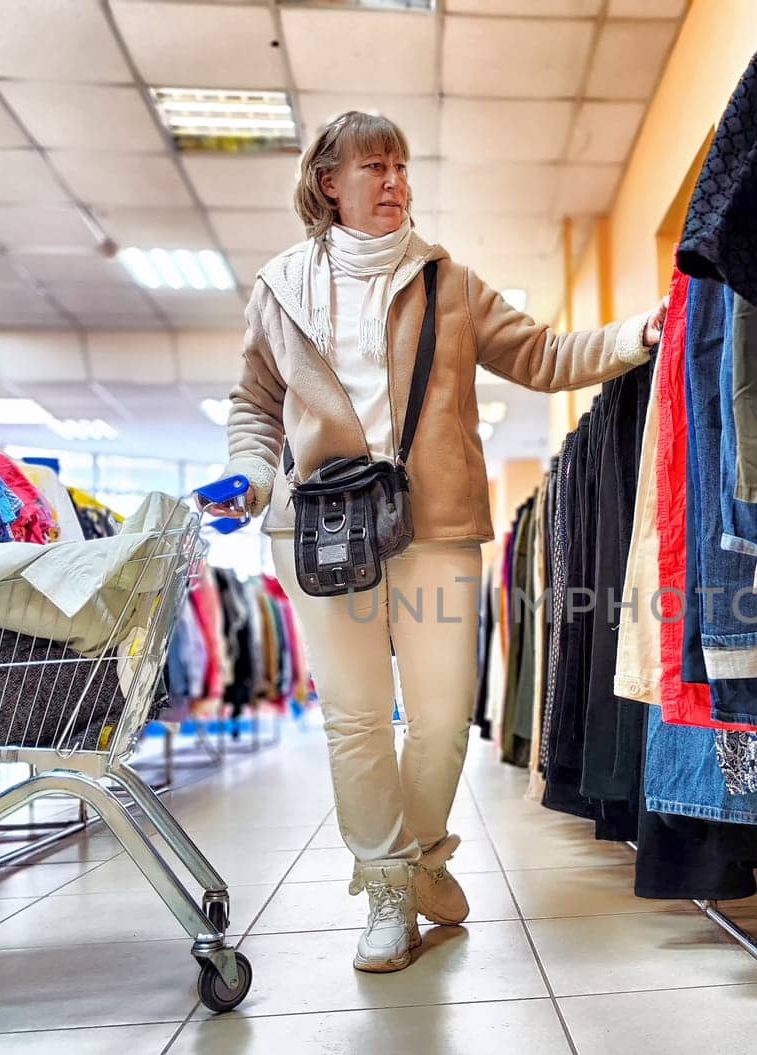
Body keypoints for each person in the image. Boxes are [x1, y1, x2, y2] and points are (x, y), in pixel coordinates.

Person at [213, 111, 666, 973]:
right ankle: (388, 889)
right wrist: (250, 474)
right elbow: (253, 402)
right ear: (327, 184)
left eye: (401, 167)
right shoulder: (279, 287)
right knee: (353, 717)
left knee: (443, 713)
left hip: (436, 524)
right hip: (319, 530)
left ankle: (422, 859)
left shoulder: (447, 281)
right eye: (375, 168)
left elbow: (540, 354)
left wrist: (634, 335)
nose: (395, 183)